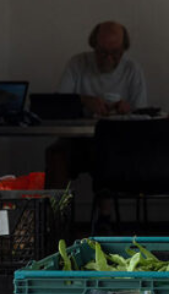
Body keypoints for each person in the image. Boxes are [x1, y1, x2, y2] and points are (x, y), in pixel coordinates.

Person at [44, 21, 149, 189]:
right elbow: (58, 104)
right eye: (102, 52)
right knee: (56, 154)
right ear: (94, 46)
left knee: (108, 153)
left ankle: (105, 213)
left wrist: (127, 110)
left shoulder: (132, 69)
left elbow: (144, 114)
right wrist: (84, 101)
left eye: (115, 53)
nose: (109, 58)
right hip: (78, 141)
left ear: (124, 49)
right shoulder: (78, 64)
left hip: (118, 141)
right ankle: (56, 212)